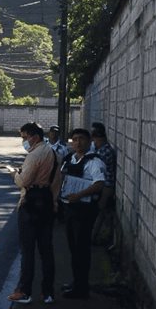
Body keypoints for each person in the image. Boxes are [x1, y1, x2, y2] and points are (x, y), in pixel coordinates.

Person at [7, 122, 61, 304]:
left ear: (34, 137)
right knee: (46, 249)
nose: (24, 141)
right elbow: (57, 182)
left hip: (31, 202)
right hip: (46, 200)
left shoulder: (34, 155)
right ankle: (48, 292)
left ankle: (24, 291)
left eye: (24, 137)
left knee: (27, 249)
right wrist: (53, 201)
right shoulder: (54, 153)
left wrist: (14, 174)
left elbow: (24, 181)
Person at [59, 128, 107, 299]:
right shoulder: (70, 159)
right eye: (75, 139)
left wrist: (78, 195)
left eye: (81, 139)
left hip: (84, 211)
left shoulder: (94, 162)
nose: (78, 142)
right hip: (70, 209)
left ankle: (82, 288)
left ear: (89, 141)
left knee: (81, 249)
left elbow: (99, 184)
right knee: (74, 248)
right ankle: (77, 282)